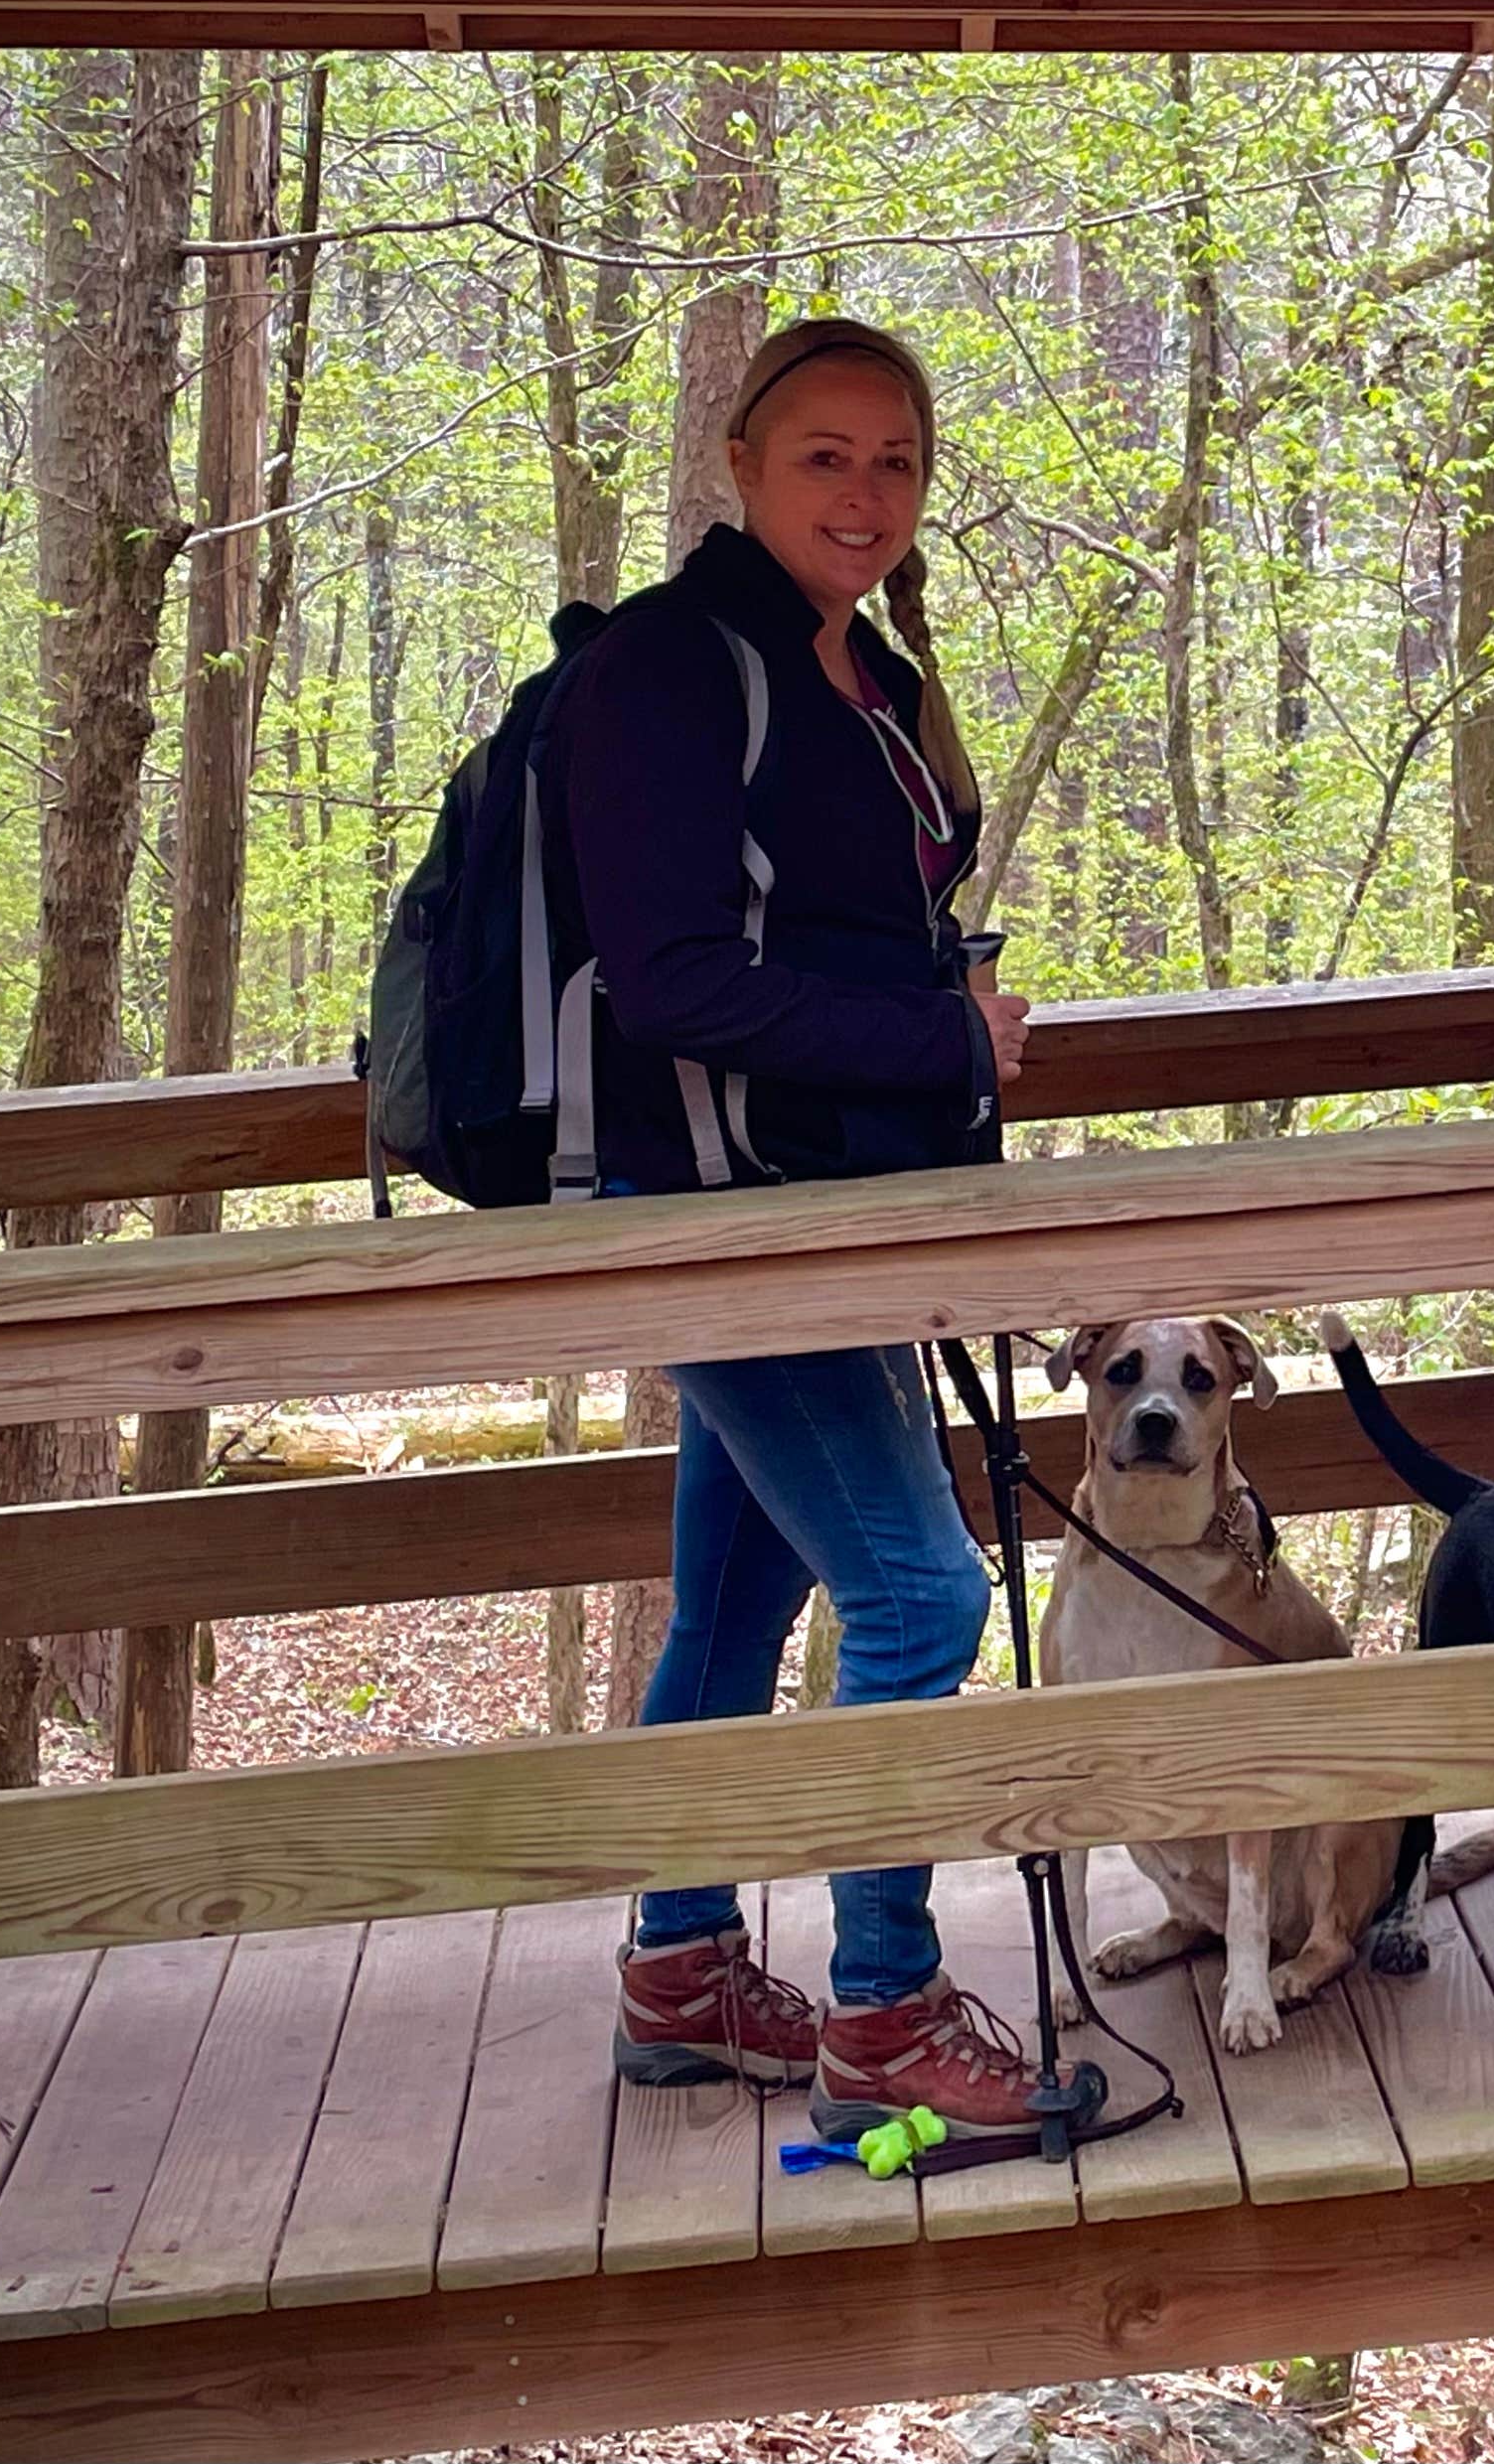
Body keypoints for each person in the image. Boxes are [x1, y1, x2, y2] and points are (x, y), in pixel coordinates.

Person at [536, 316, 1044, 2143]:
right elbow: (671, 977)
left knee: (741, 1602)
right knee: (921, 1594)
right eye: (823, 454)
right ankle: (884, 2012)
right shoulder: (669, 673)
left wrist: (944, 1031)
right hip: (731, 1214)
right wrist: (941, 1039)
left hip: (839, 1196)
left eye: (894, 460)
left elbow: (847, 931)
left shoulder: (869, 677)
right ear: (742, 468)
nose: (863, 491)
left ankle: (681, 1973)